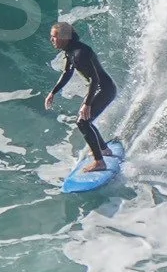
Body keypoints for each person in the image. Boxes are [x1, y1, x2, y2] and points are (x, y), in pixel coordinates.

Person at [44, 21, 118, 174]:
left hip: (105, 89)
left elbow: (94, 79)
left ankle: (99, 162)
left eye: (54, 37)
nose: (51, 40)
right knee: (85, 120)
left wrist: (87, 104)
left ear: (64, 37)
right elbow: (67, 72)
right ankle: (103, 149)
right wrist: (53, 92)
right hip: (101, 89)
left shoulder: (80, 53)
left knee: (83, 121)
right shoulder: (70, 50)